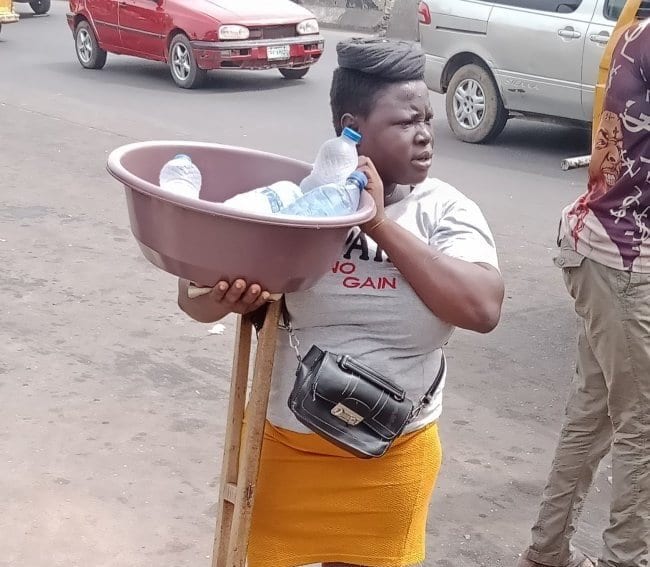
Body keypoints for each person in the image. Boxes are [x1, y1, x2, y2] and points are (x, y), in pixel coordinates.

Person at [178, 38, 504, 567]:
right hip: (285, 455)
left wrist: (375, 222)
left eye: (427, 118)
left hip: (392, 460)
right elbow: (193, 298)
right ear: (352, 127)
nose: (425, 135)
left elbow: (482, 309)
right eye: (405, 122)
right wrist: (225, 301)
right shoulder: (301, 204)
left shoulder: (445, 211)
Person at [517, 19, 650, 567]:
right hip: (626, 261)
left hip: (598, 247)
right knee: (642, 425)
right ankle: (626, 559)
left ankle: (546, 551)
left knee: (594, 412)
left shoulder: (635, 31)